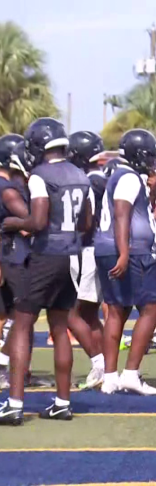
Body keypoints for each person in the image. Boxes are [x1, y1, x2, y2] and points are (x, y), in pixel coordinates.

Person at [0, 118, 91, 425]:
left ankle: (14, 404)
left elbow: (37, 221)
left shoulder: (40, 175)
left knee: (23, 324)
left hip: (47, 254)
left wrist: (14, 224)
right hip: (72, 256)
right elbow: (86, 223)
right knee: (60, 326)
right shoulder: (81, 174)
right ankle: (63, 401)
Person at [95, 129, 156, 396]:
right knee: (153, 307)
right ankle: (131, 374)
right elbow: (122, 215)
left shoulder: (118, 176)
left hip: (109, 247)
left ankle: (110, 377)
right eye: (148, 157)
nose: (151, 162)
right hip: (130, 250)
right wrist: (124, 252)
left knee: (116, 311)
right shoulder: (128, 177)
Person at [66, 131, 108, 390]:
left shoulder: (89, 183)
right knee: (89, 313)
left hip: (87, 251)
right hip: (98, 250)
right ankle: (105, 367)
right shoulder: (102, 180)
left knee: (68, 312)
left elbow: (85, 221)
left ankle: (100, 363)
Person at [0, 135, 30, 392]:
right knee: (22, 314)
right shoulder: (7, 189)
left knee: (11, 315)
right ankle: (6, 365)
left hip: (9, 255)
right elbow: (31, 221)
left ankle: (18, 368)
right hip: (11, 256)